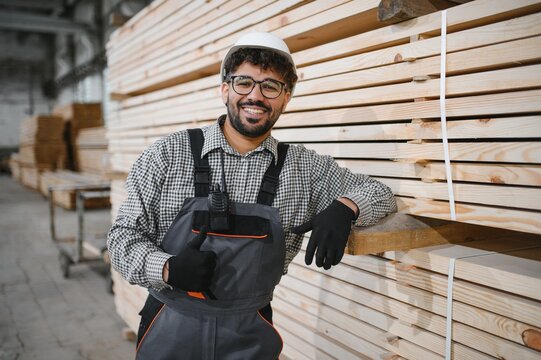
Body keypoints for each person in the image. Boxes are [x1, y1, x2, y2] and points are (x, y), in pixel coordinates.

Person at [107, 32, 396, 359]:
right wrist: (167, 269)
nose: (255, 96)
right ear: (224, 89)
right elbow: (121, 238)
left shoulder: (304, 169)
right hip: (169, 327)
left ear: (285, 98)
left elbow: (379, 192)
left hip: (248, 337)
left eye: (270, 86)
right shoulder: (167, 154)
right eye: (244, 82)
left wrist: (348, 206)